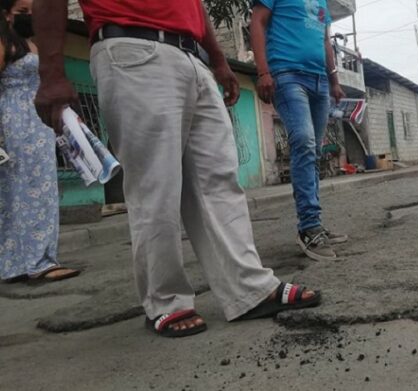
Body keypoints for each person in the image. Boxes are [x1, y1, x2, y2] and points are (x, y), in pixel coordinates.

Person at [33, 0, 320, 338]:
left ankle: (249, 290)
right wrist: (51, 72)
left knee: (220, 180)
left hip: (190, 56)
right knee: (157, 185)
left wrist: (216, 60)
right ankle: (166, 301)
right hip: (132, 47)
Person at [250, 0, 348, 262]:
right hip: (287, 75)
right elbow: (257, 22)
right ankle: (308, 228)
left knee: (314, 152)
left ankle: (315, 223)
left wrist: (334, 81)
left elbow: (325, 41)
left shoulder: (321, 3)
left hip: (319, 81)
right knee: (303, 142)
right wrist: (262, 72)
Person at [0, 0, 80, 283]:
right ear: (6, 14)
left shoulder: (31, 43)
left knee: (40, 190)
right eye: (23, 12)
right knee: (22, 192)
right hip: (14, 122)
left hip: (37, 123)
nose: (29, 17)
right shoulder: (3, 42)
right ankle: (37, 262)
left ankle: (22, 262)